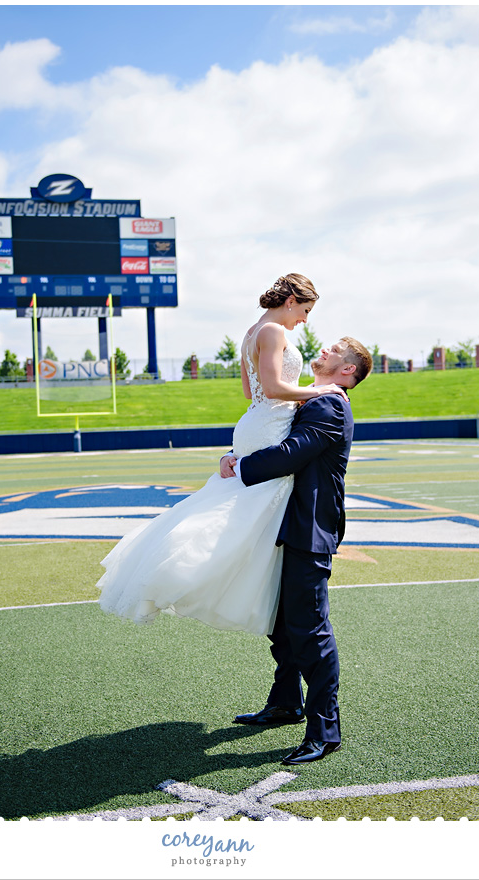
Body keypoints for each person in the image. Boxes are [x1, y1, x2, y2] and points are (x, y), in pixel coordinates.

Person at [96, 273, 348, 634]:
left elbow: (251, 391)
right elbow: (275, 388)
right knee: (258, 502)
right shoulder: (274, 331)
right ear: (290, 300)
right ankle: (208, 575)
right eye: (305, 310)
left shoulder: (251, 332)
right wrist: (320, 392)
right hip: (270, 421)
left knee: (239, 500)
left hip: (252, 422)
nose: (305, 320)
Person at [220, 336, 373, 765]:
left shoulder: (331, 405)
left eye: (335, 350)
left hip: (309, 531)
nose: (322, 349)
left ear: (347, 370)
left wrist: (241, 468)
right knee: (283, 623)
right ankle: (287, 702)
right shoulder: (311, 399)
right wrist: (233, 454)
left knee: (310, 629)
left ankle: (326, 730)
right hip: (284, 527)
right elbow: (270, 432)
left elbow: (291, 454)